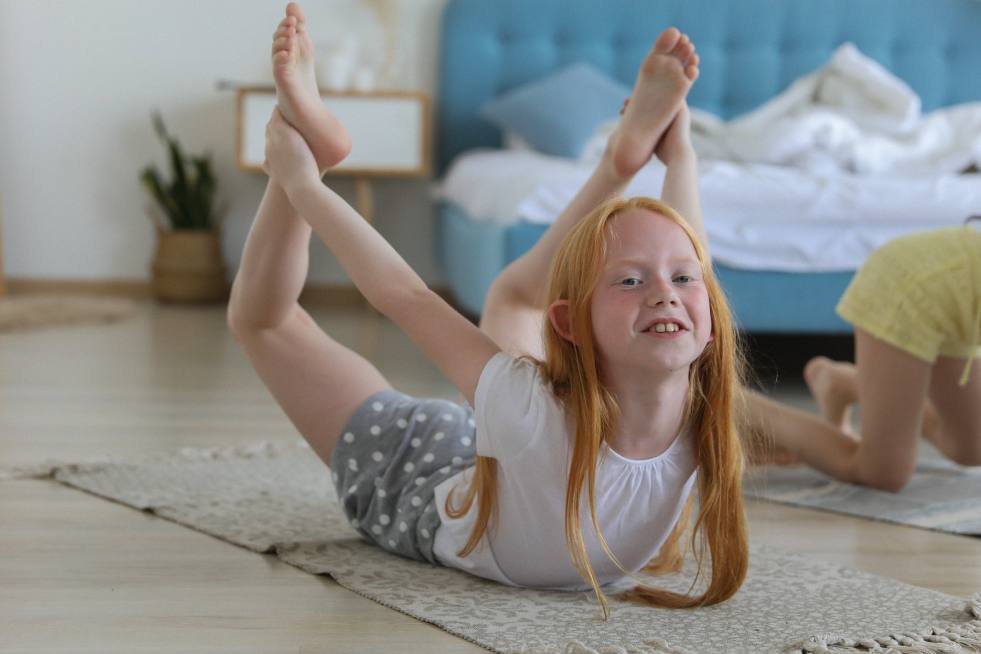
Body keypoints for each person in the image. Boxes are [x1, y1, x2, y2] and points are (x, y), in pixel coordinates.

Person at [228, 3, 748, 618]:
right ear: (572, 326)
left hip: (509, 452)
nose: (666, 293)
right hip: (412, 471)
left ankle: (619, 164)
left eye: (681, 281)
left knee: (513, 299)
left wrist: (679, 159)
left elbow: (693, 265)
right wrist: (304, 186)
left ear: (709, 317)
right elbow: (406, 295)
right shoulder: (533, 409)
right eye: (631, 281)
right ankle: (297, 158)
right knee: (264, 322)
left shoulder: (704, 409)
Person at [741, 221, 981, 492]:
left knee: (970, 448)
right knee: (882, 472)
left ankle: (842, 383)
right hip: (907, 285)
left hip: (956, 302)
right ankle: (743, 406)